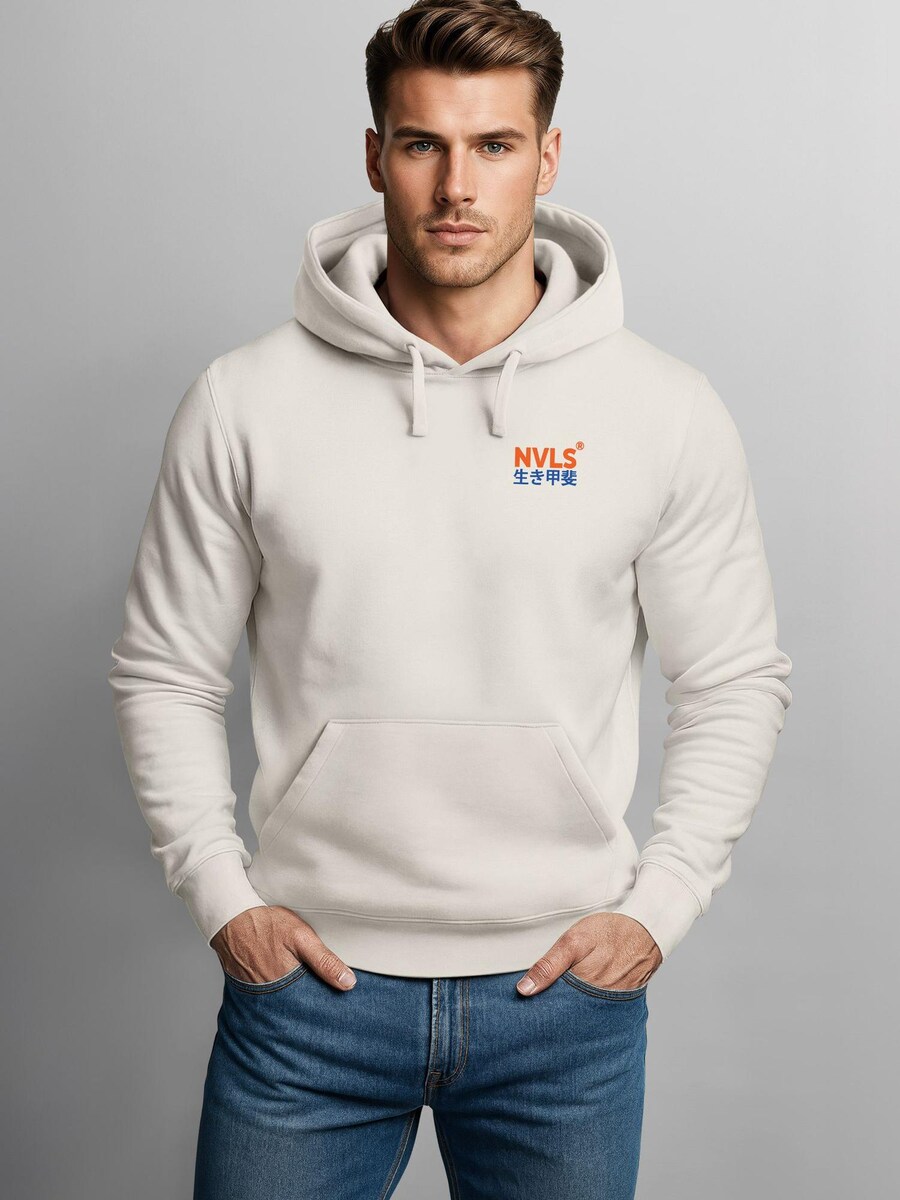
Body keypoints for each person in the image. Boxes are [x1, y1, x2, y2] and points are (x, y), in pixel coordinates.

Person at [107, 2, 793, 1197]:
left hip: (562, 1007)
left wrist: (662, 905)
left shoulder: (661, 411)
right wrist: (223, 898)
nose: (456, 187)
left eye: (494, 145)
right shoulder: (246, 401)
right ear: (376, 156)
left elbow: (734, 678)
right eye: (423, 144)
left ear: (548, 156)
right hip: (307, 999)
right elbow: (165, 670)